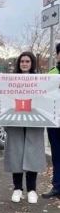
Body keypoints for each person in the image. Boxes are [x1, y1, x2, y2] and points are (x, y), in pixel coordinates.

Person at [3, 51, 45, 204]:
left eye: (27, 61)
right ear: (18, 64)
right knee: (16, 155)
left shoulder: (41, 81)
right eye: (22, 61)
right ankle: (17, 188)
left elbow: (46, 97)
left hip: (33, 122)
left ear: (32, 63)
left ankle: (32, 190)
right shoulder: (10, 81)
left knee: (32, 155)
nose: (24, 64)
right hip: (16, 122)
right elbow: (1, 95)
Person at [42, 43, 60, 199]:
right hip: (54, 122)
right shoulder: (52, 73)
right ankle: (56, 187)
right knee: (56, 155)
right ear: (58, 55)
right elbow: (44, 96)